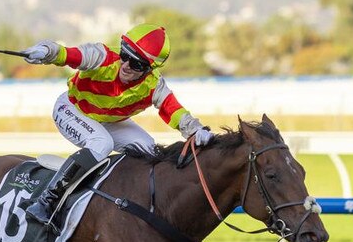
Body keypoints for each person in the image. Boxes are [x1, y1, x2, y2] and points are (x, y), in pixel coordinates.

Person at [20, 23, 214, 225]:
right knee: (101, 143)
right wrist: (46, 52)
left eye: (136, 64)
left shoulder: (154, 85)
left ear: (149, 69)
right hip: (71, 109)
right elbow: (69, 55)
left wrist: (196, 130)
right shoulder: (101, 56)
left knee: (149, 150)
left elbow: (173, 110)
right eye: (125, 55)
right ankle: (47, 201)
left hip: (107, 120)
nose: (126, 65)